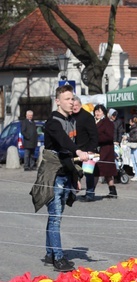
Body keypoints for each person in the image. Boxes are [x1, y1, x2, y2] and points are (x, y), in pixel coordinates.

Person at [29, 84, 89, 272]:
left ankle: (49, 253)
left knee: (56, 216)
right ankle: (59, 258)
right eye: (67, 99)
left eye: (72, 99)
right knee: (55, 217)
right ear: (57, 101)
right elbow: (64, 142)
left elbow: (66, 154)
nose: (71, 102)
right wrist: (78, 150)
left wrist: (75, 176)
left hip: (64, 174)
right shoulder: (53, 122)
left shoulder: (71, 121)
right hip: (53, 175)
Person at [72, 97, 99, 202]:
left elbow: (94, 135)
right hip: (75, 150)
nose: (74, 107)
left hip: (87, 149)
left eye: (76, 105)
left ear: (80, 104)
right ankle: (72, 192)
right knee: (74, 171)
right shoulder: (70, 116)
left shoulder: (87, 117)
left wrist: (92, 149)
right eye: (73, 106)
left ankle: (90, 193)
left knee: (88, 173)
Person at [93, 104, 118, 199]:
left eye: (99, 111)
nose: (97, 113)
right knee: (105, 171)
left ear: (103, 112)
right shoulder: (95, 122)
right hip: (98, 150)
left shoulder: (107, 122)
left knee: (99, 170)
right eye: (96, 111)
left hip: (106, 150)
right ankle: (112, 191)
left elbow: (109, 136)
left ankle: (91, 191)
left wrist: (96, 139)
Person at [127, 115, 137, 181]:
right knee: (133, 161)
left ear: (132, 122)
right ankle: (136, 174)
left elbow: (136, 138)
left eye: (130, 121)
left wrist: (128, 138)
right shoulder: (132, 128)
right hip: (133, 146)